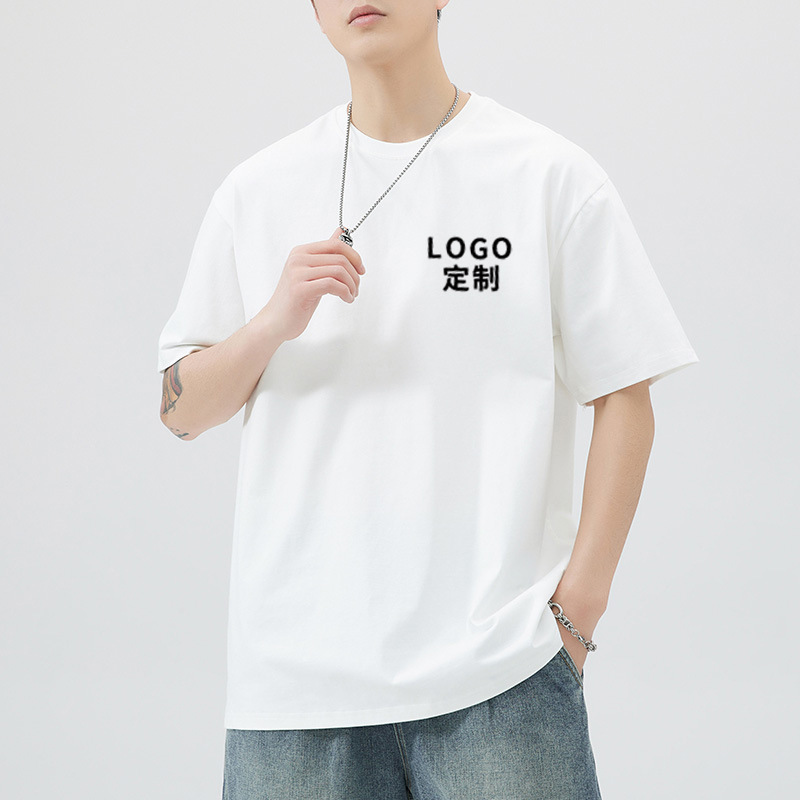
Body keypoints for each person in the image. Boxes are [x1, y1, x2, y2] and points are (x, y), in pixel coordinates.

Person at [157, 2, 699, 798]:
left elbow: (626, 390)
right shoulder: (258, 189)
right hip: (296, 688)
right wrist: (273, 321)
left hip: (501, 675)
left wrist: (575, 616)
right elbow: (180, 411)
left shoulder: (545, 174)